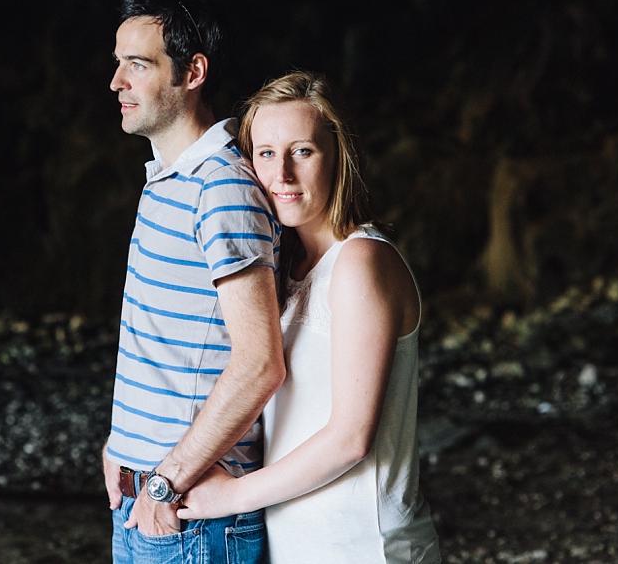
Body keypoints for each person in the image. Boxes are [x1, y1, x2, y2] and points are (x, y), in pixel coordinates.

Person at [177, 71, 442, 563]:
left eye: (302, 151)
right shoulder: (287, 269)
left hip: (365, 545)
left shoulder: (361, 261)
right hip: (300, 543)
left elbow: (351, 438)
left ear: (338, 156)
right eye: (266, 153)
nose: (282, 176)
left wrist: (232, 496)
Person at [102, 0, 285, 564]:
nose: (116, 83)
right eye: (117, 63)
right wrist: (119, 448)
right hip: (145, 505)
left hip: (188, 519)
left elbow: (260, 361)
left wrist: (165, 483)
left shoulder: (221, 187)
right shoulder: (167, 182)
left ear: (192, 72)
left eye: (137, 65)